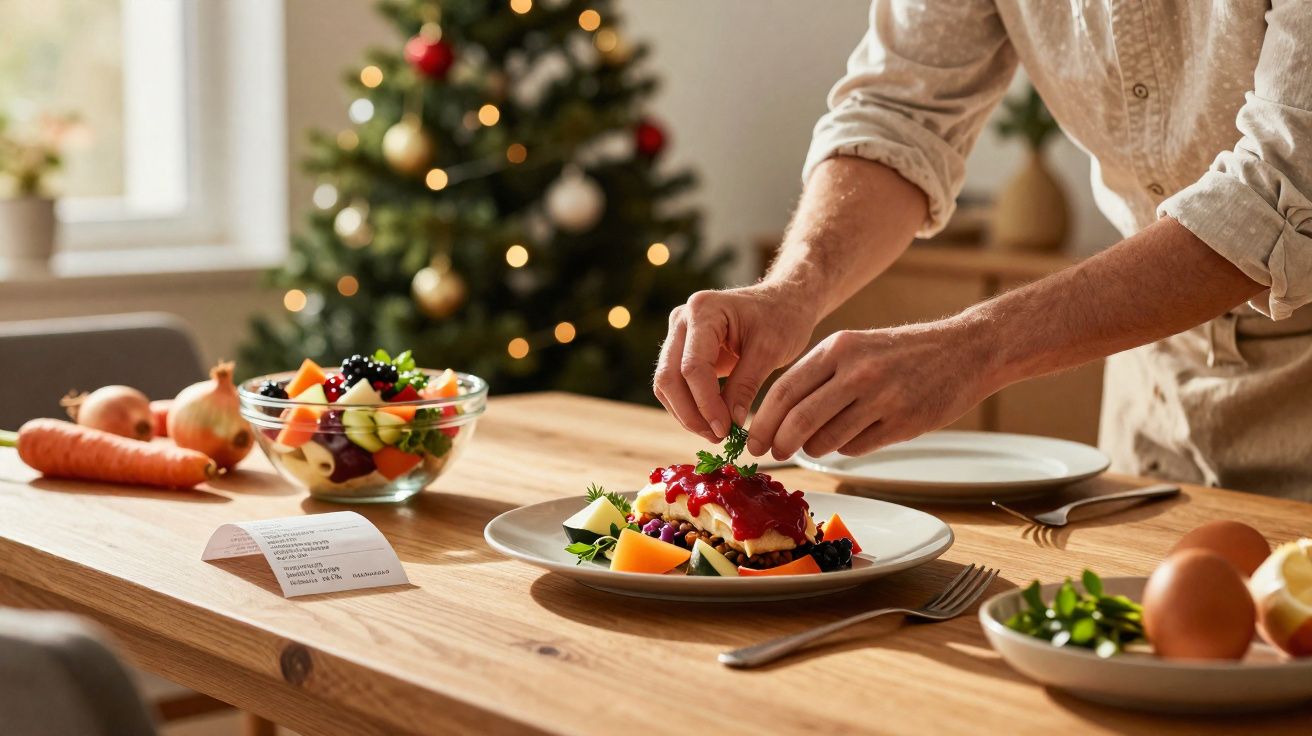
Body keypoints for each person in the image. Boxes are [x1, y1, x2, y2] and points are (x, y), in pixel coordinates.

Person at [654, 1, 1312, 500]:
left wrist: (974, 348)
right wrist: (793, 287)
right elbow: (901, 113)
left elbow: (1282, 188)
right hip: (1156, 390)